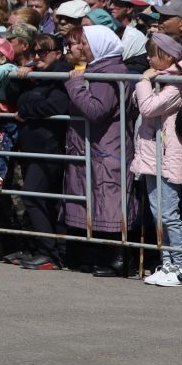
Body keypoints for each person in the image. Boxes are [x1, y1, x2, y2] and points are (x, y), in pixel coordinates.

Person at [63, 24, 127, 274]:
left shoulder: (110, 71)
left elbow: (96, 110)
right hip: (94, 145)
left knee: (109, 198)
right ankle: (92, 255)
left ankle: (116, 258)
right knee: (93, 197)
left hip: (107, 145)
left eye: (85, 43)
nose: (81, 48)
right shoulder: (96, 68)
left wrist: (76, 86)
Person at [131, 33, 182, 287]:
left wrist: (144, 81)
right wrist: (147, 84)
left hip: (168, 154)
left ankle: (181, 266)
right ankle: (167, 262)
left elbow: (148, 107)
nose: (148, 58)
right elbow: (140, 103)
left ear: (166, 56)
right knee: (157, 213)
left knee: (169, 213)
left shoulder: (178, 83)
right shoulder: (162, 79)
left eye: (152, 53)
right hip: (151, 152)